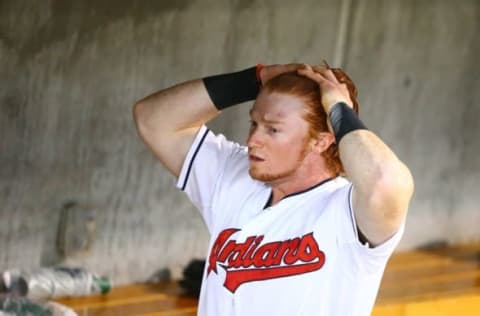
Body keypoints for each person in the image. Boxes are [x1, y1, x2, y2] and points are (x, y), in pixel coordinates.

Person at [133, 63, 414, 316]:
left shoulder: (348, 213)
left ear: (322, 140)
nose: (254, 139)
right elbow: (153, 120)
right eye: (254, 123)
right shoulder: (234, 175)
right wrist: (254, 80)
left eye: (273, 129)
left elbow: (386, 183)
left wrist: (339, 108)